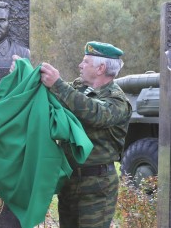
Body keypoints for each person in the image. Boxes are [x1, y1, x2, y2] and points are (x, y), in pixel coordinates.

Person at [11, 41, 132, 227]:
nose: (80, 65)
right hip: (70, 181)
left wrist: (57, 84)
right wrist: (25, 74)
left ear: (100, 68)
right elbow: (47, 94)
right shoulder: (77, 88)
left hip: (97, 186)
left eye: (85, 62)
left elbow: (96, 114)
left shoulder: (117, 99)